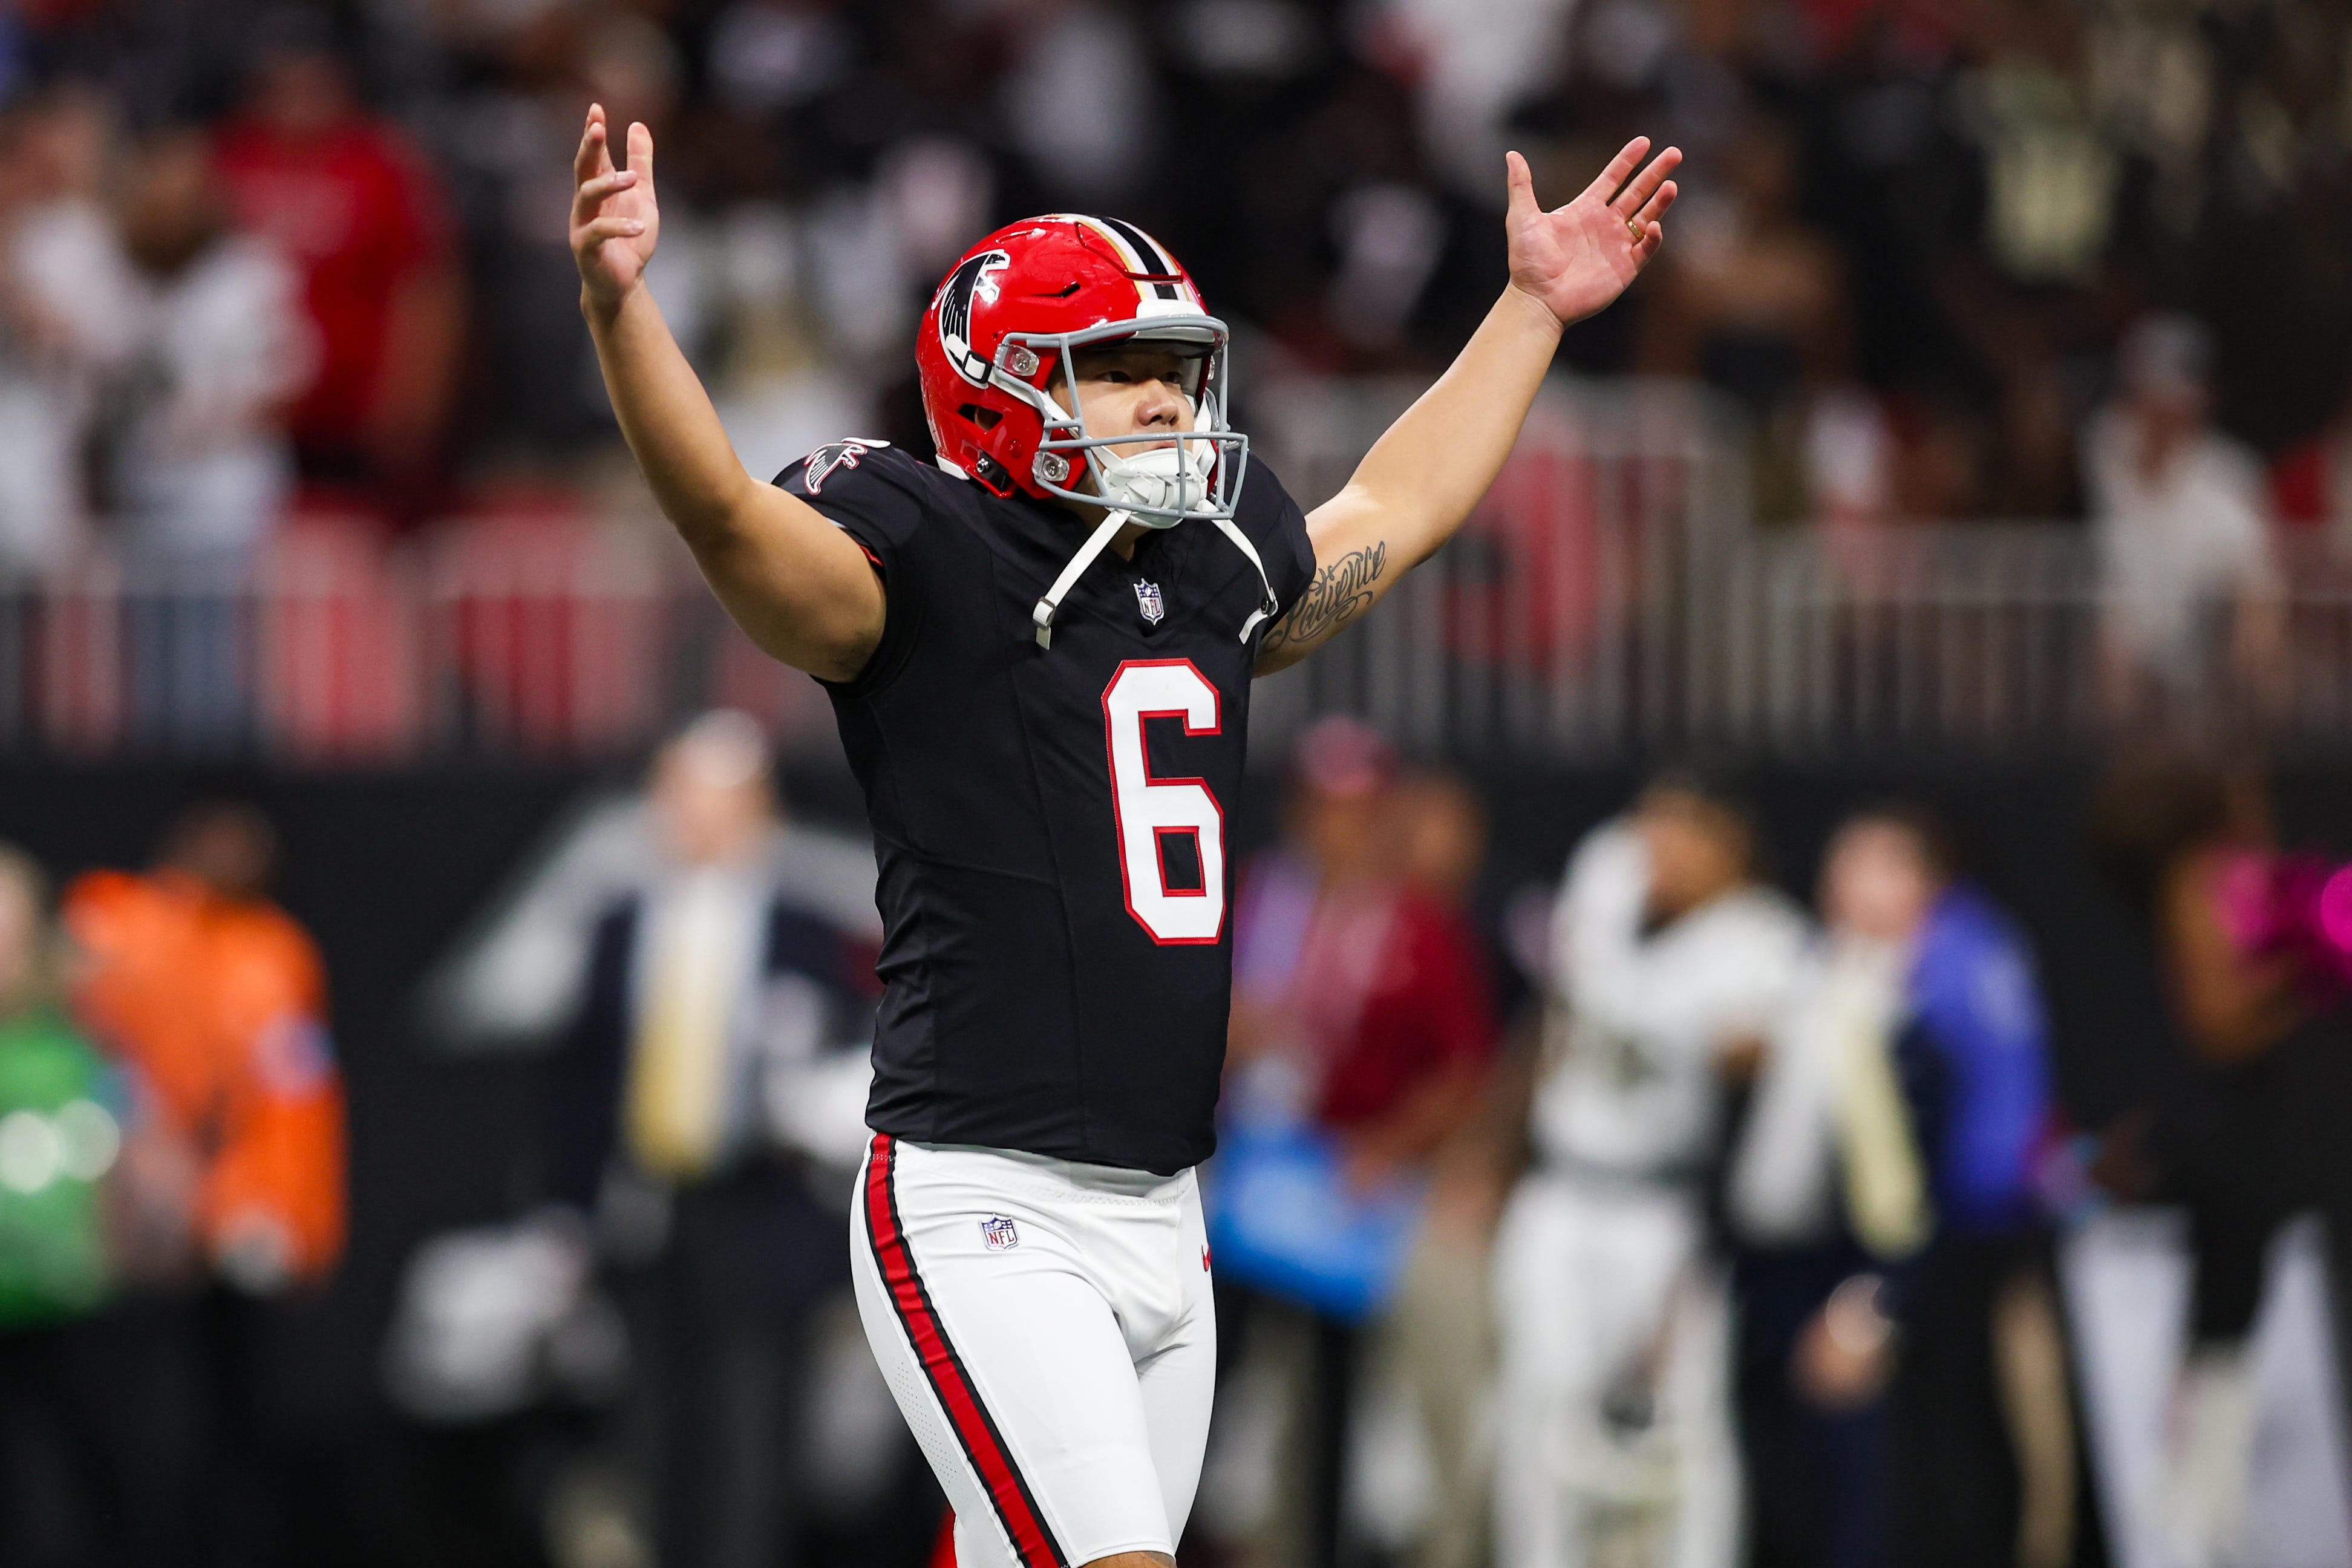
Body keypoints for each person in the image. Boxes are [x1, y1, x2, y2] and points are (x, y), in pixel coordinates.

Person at [571, 88, 1679, 1568]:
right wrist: (619, 307)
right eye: (1122, 373)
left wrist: (1530, 312)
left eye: (1177, 369)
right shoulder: (922, 556)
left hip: (1167, 1208)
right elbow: (719, 514)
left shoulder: (1211, 558)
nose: (1168, 403)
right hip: (982, 1199)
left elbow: (1391, 510)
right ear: (1004, 383)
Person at [546, 710, 881, 1568]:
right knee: (650, 1434)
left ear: (756, 809)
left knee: (752, 1438)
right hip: (647, 1211)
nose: (690, 815)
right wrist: (570, 1211)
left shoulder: (803, 930)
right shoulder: (621, 923)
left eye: (713, 798)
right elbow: (582, 1077)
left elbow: (846, 1069)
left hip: (759, 1207)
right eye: (679, 794)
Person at [1728, 805, 2071, 1568]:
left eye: (1880, 865)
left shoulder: (1927, 989)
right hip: (1799, 1278)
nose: (1852, 885)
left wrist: (1875, 1302)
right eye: (1843, 864)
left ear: (1924, 884)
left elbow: (1925, 1171)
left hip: (1920, 1265)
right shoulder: (1822, 984)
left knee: (1909, 1481)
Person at [1494, 771, 1808, 1568]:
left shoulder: (1761, 935)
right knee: (1538, 1414)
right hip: (1561, 1194)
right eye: (1648, 829)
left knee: (1686, 1431)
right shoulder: (1610, 898)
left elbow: (1729, 1050)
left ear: (1727, 845)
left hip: (1666, 1211)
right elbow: (1556, 1034)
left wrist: (1593, 955)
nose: (1653, 852)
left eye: (1679, 834)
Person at [1219, 720, 1497, 1568]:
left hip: (1346, 1190)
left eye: (1358, 811)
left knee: (1341, 1400)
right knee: (1225, 1380)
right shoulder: (1261, 897)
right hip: (1244, 1173)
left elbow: (1460, 1071)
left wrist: (1387, 1149)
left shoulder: (1414, 924)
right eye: (1323, 809)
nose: (1338, 830)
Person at [59, 800, 344, 1566]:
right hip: (128, 1221)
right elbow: (88, 1047)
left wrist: (296, 1218)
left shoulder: (277, 953)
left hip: (235, 1230)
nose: (233, 853)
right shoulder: (122, 923)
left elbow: (295, 1101)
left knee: (237, 1426)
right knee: (118, 1422)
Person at [2085, 315, 2282, 730]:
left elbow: (2257, 589)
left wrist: (2244, 679)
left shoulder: (2229, 477)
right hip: (2105, 676)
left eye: (2170, 394)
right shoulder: (2100, 447)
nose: (2156, 408)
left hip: (2196, 676)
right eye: (2146, 389)